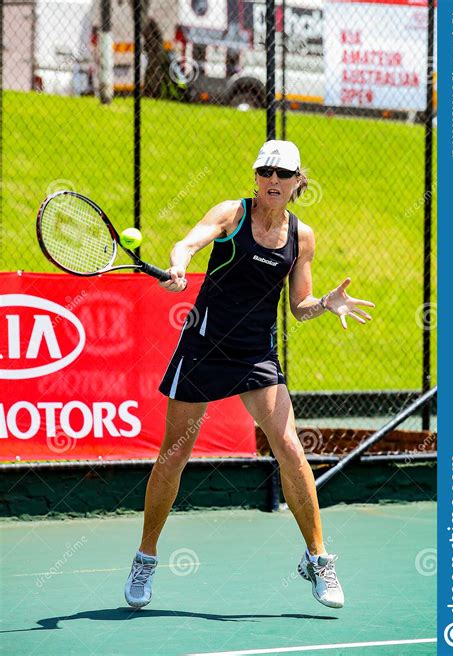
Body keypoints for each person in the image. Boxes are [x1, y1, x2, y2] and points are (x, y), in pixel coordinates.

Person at [124, 140, 375, 610]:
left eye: (283, 174)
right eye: (266, 172)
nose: (274, 181)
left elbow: (299, 307)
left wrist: (326, 304)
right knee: (174, 454)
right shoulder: (233, 214)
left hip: (257, 355)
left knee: (290, 447)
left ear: (300, 180)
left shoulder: (303, 237)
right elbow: (191, 239)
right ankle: (146, 556)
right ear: (256, 177)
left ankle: (319, 560)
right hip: (203, 348)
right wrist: (179, 263)